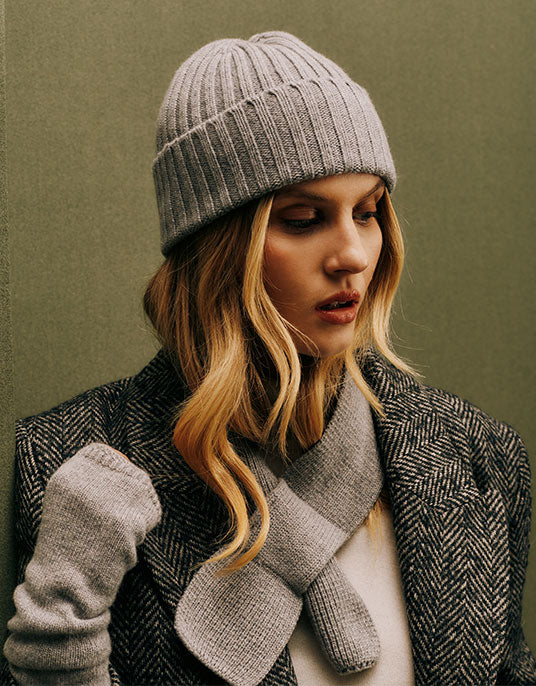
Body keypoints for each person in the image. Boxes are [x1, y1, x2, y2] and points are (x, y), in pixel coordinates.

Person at [1, 29, 535, 686]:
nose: (353, 255)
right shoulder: (76, 467)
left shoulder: (479, 459)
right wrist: (59, 637)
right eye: (303, 219)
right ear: (217, 247)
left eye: (368, 212)